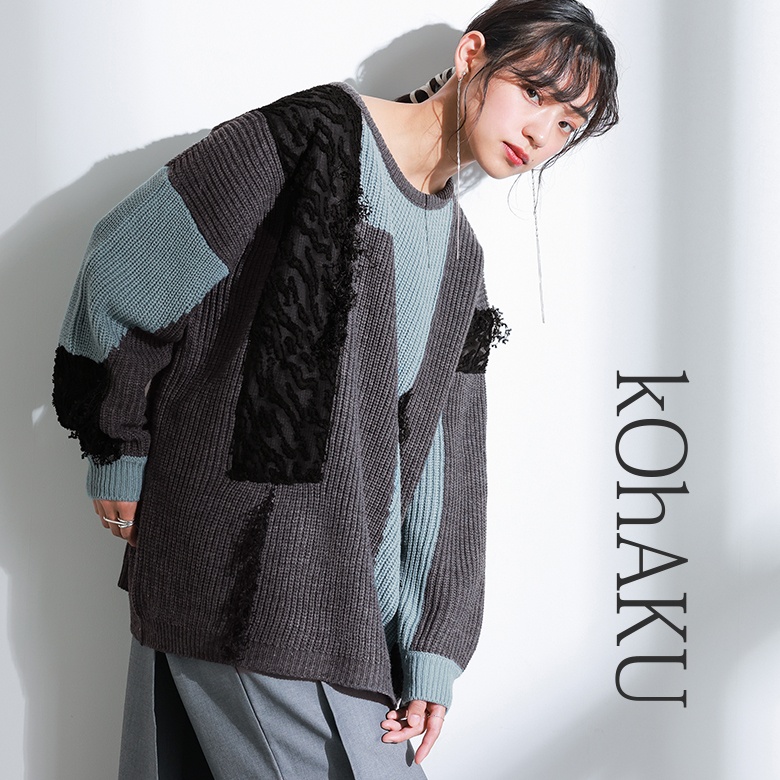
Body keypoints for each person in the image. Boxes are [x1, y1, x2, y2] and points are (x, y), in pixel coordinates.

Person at [52, 0, 618, 777]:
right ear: (471, 56)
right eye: (534, 92)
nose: (542, 131)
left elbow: (448, 469)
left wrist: (430, 651)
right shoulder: (310, 138)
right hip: (245, 572)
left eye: (567, 124)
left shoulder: (460, 261)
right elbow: (127, 266)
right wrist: (115, 445)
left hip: (343, 604)